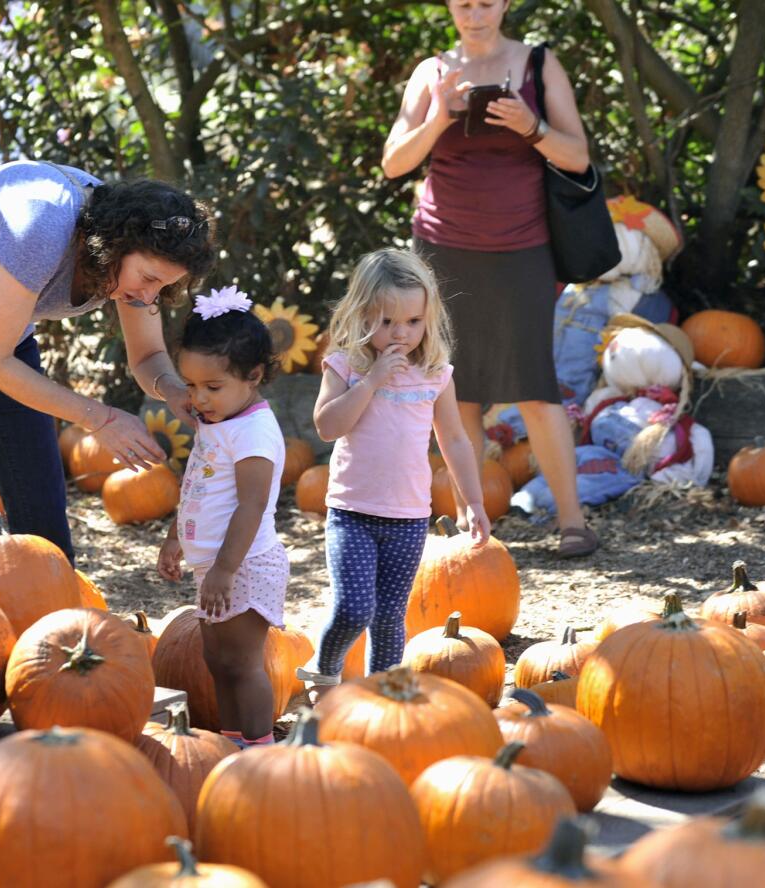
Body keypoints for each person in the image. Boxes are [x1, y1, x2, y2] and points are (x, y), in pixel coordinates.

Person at [0, 159, 212, 594]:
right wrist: (102, 418)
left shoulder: (139, 257)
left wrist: (172, 391)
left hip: (2, 339)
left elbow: (147, 355)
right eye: (146, 278)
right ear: (114, 245)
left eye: (162, 287)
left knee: (41, 501)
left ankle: (55, 632)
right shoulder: (42, 226)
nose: (148, 296)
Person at [381, 0, 599, 558]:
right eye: (463, 2)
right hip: (443, 252)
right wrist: (439, 117)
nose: (473, 13)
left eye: (485, 2)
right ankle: (468, 528)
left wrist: (531, 126)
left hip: (523, 248)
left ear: (504, 4)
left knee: (535, 385)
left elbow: (576, 156)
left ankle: (573, 522)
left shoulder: (538, 65)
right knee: (458, 390)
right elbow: (393, 163)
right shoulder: (432, 72)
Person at [295, 248, 491, 700]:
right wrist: (372, 381)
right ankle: (325, 666)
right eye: (386, 323)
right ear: (362, 314)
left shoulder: (435, 373)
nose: (401, 333)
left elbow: (455, 440)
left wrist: (474, 501)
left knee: (388, 617)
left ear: (429, 317)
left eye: (413, 322)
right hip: (353, 513)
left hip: (408, 518)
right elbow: (327, 427)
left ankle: (382, 698)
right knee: (353, 608)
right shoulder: (345, 364)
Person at [156, 286, 287, 748]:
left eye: (213, 387)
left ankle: (258, 747)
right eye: (190, 385)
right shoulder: (216, 422)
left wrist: (226, 569)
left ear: (252, 376)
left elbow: (251, 504)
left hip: (244, 566)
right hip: (215, 566)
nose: (199, 398)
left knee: (242, 664)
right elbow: (198, 483)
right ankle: (233, 741)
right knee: (217, 661)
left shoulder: (253, 431)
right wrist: (177, 537)